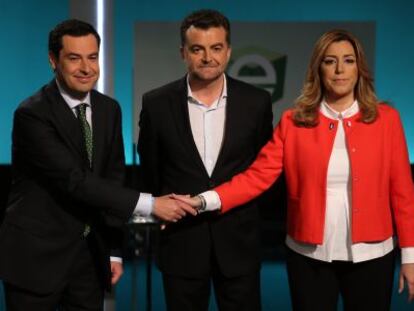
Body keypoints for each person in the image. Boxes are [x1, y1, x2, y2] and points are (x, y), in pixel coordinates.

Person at [175, 29, 414, 310]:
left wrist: (410, 257)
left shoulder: (387, 119)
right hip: (308, 254)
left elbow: (402, 192)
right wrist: (204, 200)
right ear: (318, 68)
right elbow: (257, 177)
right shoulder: (294, 121)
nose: (339, 70)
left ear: (359, 68)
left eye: (348, 60)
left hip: (373, 254)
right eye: (329, 61)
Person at [0, 19, 194, 311]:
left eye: (92, 57)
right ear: (54, 60)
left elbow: (113, 179)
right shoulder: (32, 114)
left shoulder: (109, 109)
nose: (86, 68)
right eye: (74, 58)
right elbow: (74, 180)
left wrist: (114, 250)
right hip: (36, 258)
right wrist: (151, 205)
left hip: (90, 258)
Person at [137, 9, 273, 311]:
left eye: (216, 48)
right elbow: (150, 172)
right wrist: (157, 210)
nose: (207, 57)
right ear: (183, 53)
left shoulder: (257, 102)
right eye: (197, 49)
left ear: (228, 51)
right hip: (181, 242)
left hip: (240, 242)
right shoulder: (156, 103)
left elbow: (263, 170)